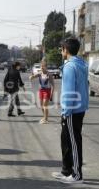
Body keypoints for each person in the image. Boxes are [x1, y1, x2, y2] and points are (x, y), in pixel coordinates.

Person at [52, 38, 88, 184]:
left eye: (62, 49)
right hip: (78, 108)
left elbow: (69, 91)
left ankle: (77, 175)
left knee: (74, 142)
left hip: (72, 110)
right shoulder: (81, 64)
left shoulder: (70, 66)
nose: (61, 51)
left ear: (65, 50)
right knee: (66, 140)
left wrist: (65, 111)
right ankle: (66, 170)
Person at [29, 60, 55, 124]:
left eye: (43, 66)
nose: (42, 68)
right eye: (41, 66)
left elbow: (53, 85)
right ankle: (44, 117)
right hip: (41, 90)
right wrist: (31, 77)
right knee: (41, 105)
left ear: (46, 67)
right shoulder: (40, 73)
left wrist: (51, 94)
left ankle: (46, 119)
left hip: (47, 91)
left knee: (44, 105)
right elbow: (32, 77)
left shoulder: (49, 75)